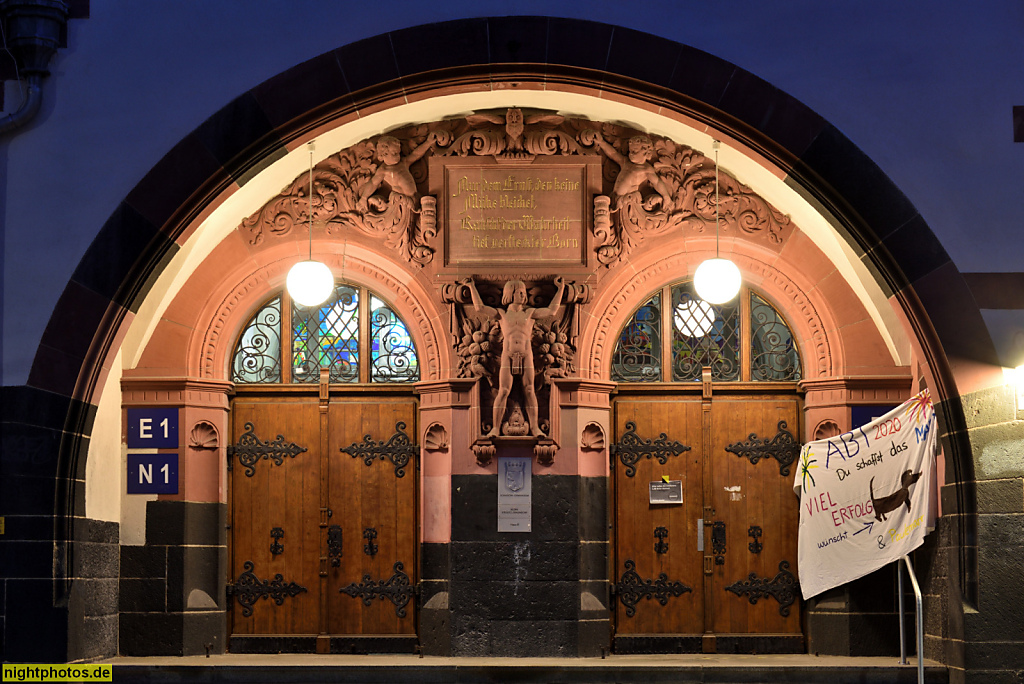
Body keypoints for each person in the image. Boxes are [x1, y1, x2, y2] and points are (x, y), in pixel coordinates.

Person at [462, 277, 566, 438]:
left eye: (524, 293)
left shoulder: (530, 313)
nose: (523, 296)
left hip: (526, 355)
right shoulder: (502, 314)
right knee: (503, 391)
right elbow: (480, 308)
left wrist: (561, 289)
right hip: (507, 356)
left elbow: (552, 311)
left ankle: (535, 428)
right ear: (510, 294)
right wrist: (471, 287)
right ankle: (495, 428)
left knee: (530, 390)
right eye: (520, 293)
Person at [356, 133, 439, 211]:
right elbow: (373, 183)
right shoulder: (383, 170)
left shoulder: (403, 163)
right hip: (403, 200)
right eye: (394, 153)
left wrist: (428, 143)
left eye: (398, 153)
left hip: (415, 197)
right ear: (383, 154)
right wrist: (363, 198)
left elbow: (416, 154)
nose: (398, 156)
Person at [590, 133, 673, 209]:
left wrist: (666, 197)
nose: (631, 154)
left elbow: (657, 182)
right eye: (630, 151)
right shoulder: (626, 162)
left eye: (634, 151)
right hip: (614, 197)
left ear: (646, 152)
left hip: (625, 200)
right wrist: (601, 142)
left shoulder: (646, 169)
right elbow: (613, 154)